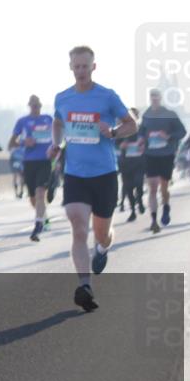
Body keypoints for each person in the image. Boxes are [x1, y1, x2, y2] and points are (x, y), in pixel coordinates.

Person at [50, 46, 137, 312]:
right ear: (70, 67)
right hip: (76, 174)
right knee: (78, 225)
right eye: (76, 66)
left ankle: (102, 248)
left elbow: (132, 124)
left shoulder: (107, 96)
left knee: (101, 233)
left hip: (104, 174)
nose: (80, 71)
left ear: (93, 67)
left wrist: (111, 132)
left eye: (85, 66)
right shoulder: (62, 98)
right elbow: (57, 123)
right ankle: (84, 285)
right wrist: (56, 144)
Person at [138, 89, 187, 232]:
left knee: (164, 187)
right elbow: (141, 131)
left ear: (161, 98)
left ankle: (166, 206)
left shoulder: (170, 115)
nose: (154, 98)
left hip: (166, 154)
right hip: (150, 154)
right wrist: (141, 140)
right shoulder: (146, 115)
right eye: (151, 96)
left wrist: (168, 136)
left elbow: (182, 132)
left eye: (156, 96)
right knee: (152, 187)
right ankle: (154, 220)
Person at [9, 95, 55, 242]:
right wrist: (24, 142)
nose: (35, 107)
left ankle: (38, 225)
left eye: (38, 105)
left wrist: (57, 151)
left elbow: (58, 137)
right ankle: (43, 216)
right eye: (33, 105)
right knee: (34, 199)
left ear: (41, 106)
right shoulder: (22, 121)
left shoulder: (48, 119)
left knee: (41, 193)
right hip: (29, 162)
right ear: (29, 106)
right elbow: (11, 144)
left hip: (45, 161)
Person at [118, 107, 147, 222]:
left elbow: (148, 141)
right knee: (128, 188)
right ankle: (133, 212)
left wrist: (144, 144)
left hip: (139, 162)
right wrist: (121, 145)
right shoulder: (121, 130)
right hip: (126, 163)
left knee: (139, 184)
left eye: (134, 115)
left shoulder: (142, 129)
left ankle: (139, 200)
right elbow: (115, 143)